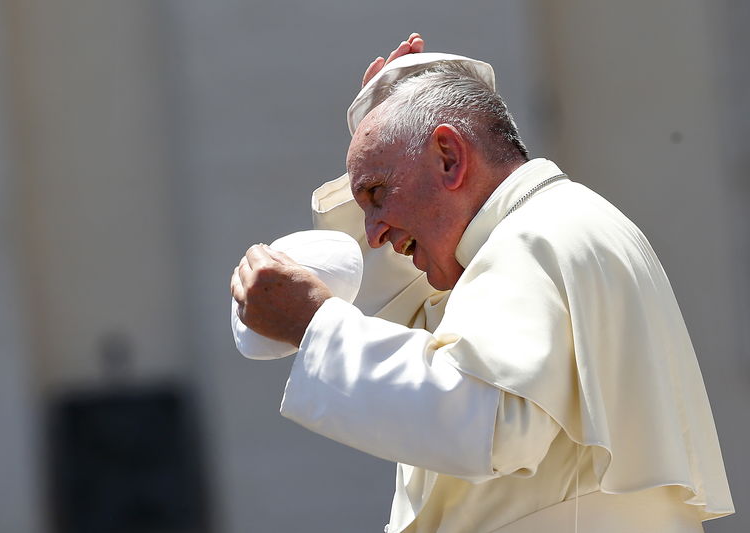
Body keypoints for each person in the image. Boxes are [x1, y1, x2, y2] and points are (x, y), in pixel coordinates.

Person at [230, 34, 734, 532]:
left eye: (378, 193)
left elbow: (485, 418)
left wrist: (314, 323)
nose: (374, 233)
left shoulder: (531, 236)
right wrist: (376, 130)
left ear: (449, 157)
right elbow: (422, 327)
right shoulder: (551, 224)